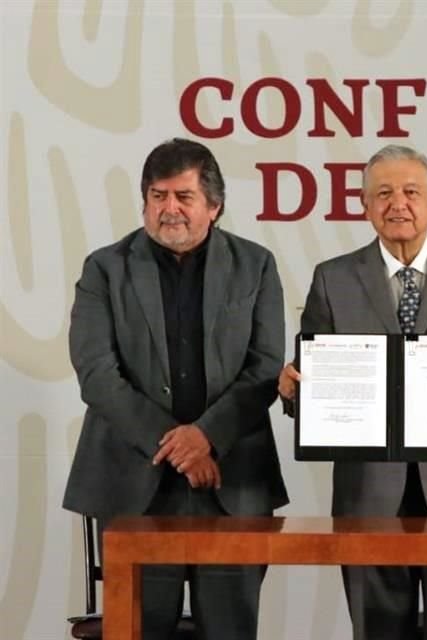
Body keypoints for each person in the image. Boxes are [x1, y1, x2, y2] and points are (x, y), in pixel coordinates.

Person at [277, 144, 427, 640]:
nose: (398, 204)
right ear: (365, 206)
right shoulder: (334, 278)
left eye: (412, 192)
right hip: (368, 493)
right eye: (384, 193)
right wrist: (293, 391)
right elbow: (314, 377)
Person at [63, 138, 288, 640]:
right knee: (138, 632)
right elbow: (97, 373)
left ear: (214, 205)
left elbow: (265, 366)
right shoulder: (105, 268)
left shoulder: (256, 265)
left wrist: (207, 436)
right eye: (158, 196)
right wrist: (180, 446)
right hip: (133, 487)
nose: (169, 210)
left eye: (183, 197)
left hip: (232, 484)